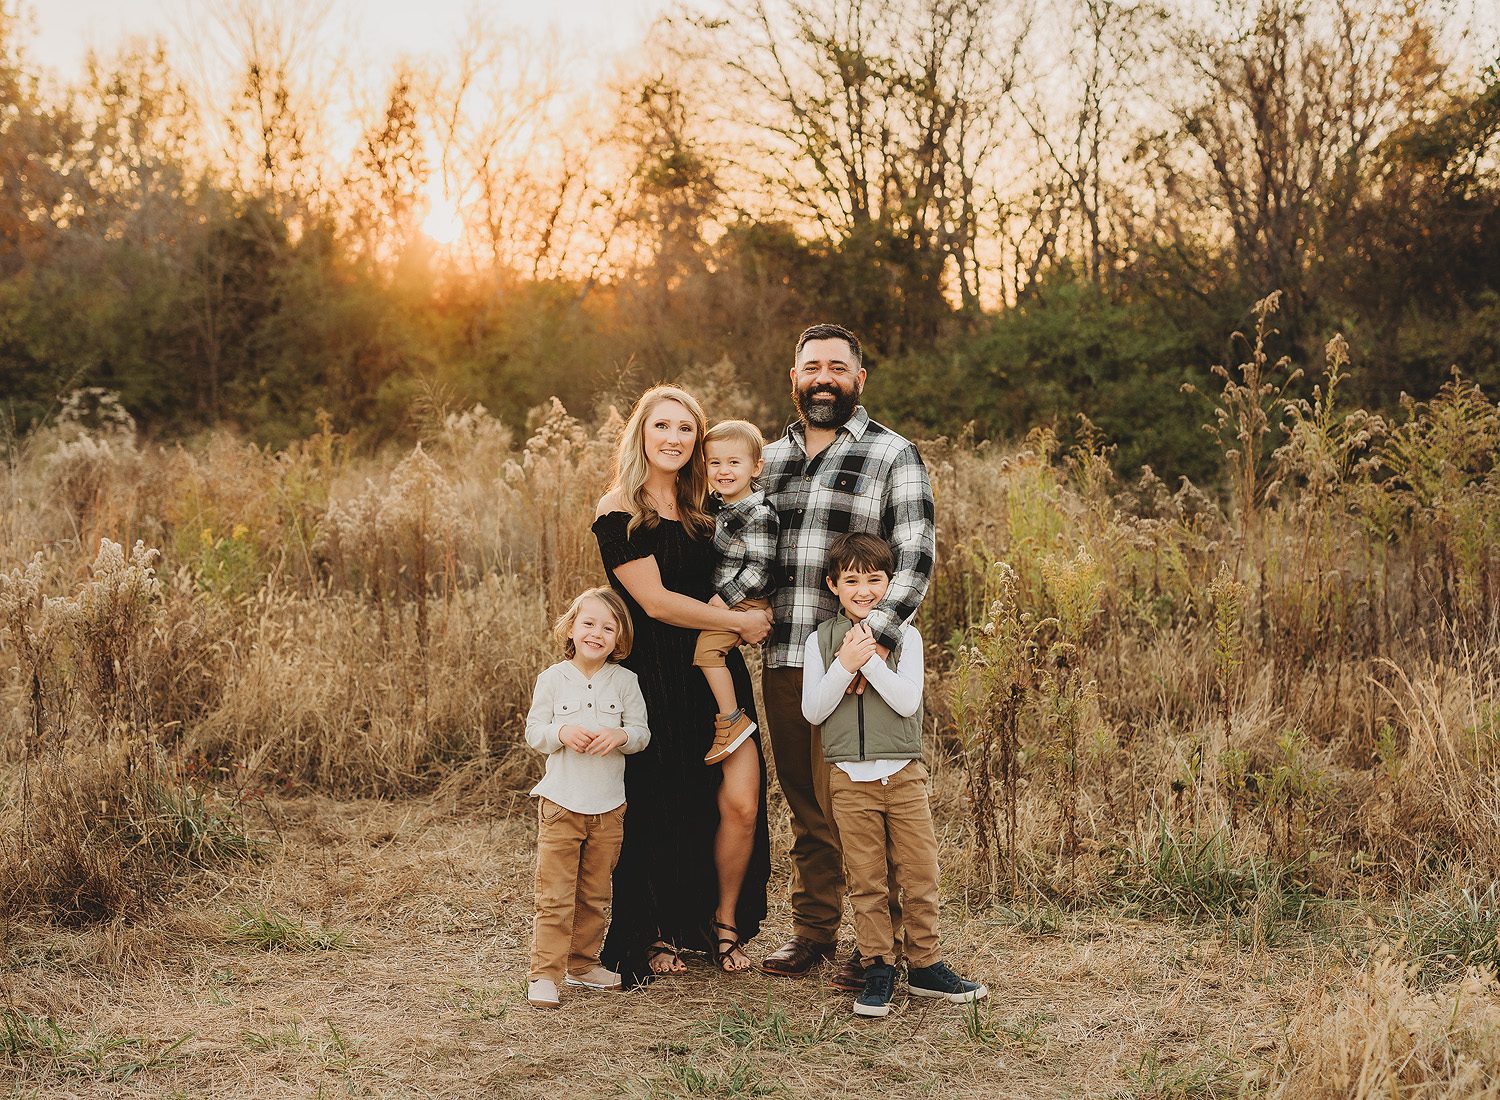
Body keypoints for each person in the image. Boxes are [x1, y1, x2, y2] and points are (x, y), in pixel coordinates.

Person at [758, 323, 936, 991]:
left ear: (859, 380)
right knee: (807, 801)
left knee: (860, 803)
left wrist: (870, 647)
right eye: (812, 366)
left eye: (837, 366)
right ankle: (813, 931)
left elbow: (914, 558)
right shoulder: (768, 459)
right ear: (796, 378)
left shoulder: (894, 455)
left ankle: (877, 948)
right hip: (787, 657)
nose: (823, 376)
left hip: (860, 661)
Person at [591, 385, 774, 983]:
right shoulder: (618, 509)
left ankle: (723, 924)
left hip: (715, 670)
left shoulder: (708, 504)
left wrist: (759, 609)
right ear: (641, 434)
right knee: (664, 805)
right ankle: (660, 930)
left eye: (686, 429)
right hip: (659, 674)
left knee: (740, 802)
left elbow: (754, 554)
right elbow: (657, 603)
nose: (674, 438)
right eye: (662, 426)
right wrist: (738, 622)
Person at [801, 533, 987, 1017]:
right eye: (852, 580)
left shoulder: (908, 636)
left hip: (903, 775)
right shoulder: (819, 640)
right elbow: (814, 711)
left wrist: (872, 659)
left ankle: (924, 964)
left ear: (890, 584)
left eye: (875, 580)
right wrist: (845, 664)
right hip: (850, 779)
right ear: (833, 585)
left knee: (919, 871)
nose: (864, 590)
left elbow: (907, 701)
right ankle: (877, 966)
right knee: (866, 879)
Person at [524, 586, 650, 1009]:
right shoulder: (552, 679)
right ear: (572, 628)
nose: (597, 633)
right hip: (561, 805)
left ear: (620, 638)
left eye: (608, 627)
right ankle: (545, 973)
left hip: (609, 807)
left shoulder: (627, 682)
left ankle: (582, 964)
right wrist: (561, 733)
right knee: (555, 895)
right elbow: (534, 732)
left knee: (596, 894)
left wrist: (621, 735)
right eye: (589, 623)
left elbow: (641, 734)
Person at [694, 420, 778, 765]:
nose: (723, 471)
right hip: (731, 596)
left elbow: (758, 569)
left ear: (756, 466)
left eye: (734, 463)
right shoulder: (716, 505)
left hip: (744, 599)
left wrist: (724, 601)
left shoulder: (757, 513)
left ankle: (731, 719)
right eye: (715, 463)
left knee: (706, 652)